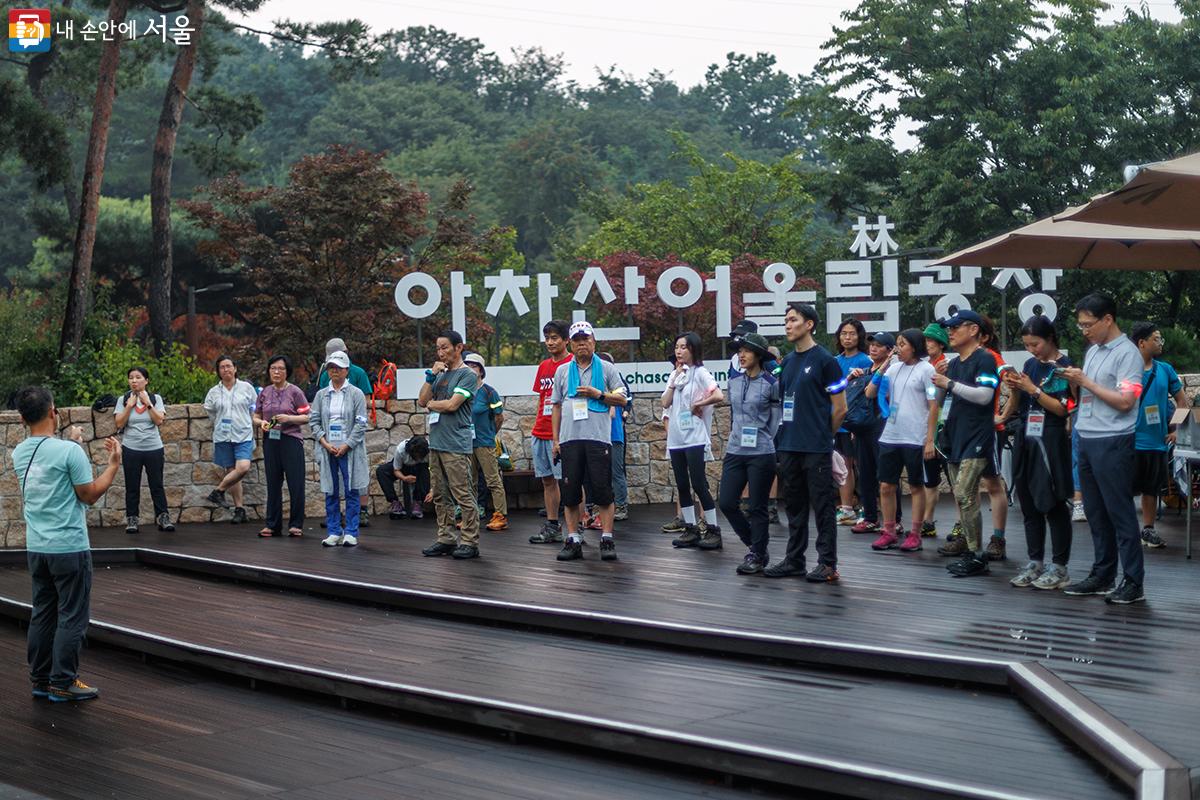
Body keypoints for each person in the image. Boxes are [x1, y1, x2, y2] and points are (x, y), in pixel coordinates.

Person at [12, 386, 121, 702]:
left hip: (38, 548)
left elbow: (51, 463)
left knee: (43, 613)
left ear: (21, 418)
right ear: (52, 412)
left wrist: (72, 444)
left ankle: (41, 679)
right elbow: (88, 494)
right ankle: (63, 682)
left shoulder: (20, 453)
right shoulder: (69, 452)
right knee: (72, 615)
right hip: (69, 547)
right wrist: (113, 464)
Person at [1061, 294, 1146, 604]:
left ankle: (1134, 581)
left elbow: (1126, 401)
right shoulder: (1094, 350)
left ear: (1107, 319)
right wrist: (1076, 383)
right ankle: (1103, 574)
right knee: (1095, 513)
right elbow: (1090, 394)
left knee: (1120, 513)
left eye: (1088, 324)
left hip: (1113, 440)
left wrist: (1086, 381)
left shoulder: (1128, 354)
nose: (1084, 330)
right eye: (1080, 325)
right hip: (1087, 436)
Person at [766, 303, 847, 582]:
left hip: (816, 447)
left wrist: (824, 435)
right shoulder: (787, 362)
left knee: (823, 507)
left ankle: (827, 564)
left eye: (793, 320)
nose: (788, 325)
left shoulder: (826, 360)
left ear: (809, 324)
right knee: (794, 506)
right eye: (785, 320)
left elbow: (840, 408)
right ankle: (794, 560)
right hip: (789, 445)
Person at [1001, 315, 1074, 590]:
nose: (1031, 350)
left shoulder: (1064, 367)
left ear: (1050, 338)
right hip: (1027, 437)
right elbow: (1022, 401)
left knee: (1053, 502)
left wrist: (1032, 389)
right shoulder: (1031, 365)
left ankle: (1060, 566)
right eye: (1027, 345)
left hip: (1051, 439)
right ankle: (1035, 561)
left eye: (1035, 344)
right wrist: (1016, 389)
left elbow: (1063, 408)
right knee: (1028, 501)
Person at [931, 310, 1000, 577]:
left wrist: (948, 382)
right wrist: (939, 380)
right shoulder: (954, 363)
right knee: (964, 497)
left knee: (964, 493)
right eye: (949, 327)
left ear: (973, 330)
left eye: (955, 327)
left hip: (976, 437)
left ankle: (976, 555)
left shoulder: (984, 358)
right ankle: (972, 552)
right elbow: (938, 398)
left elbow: (984, 396)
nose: (950, 332)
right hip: (954, 437)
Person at [550, 321, 626, 561]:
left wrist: (599, 394)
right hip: (570, 440)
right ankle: (573, 539)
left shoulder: (606, 369)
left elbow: (623, 399)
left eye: (586, 338)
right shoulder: (562, 370)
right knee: (570, 493)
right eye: (577, 340)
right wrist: (555, 440)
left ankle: (606, 538)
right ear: (570, 344)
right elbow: (556, 407)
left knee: (603, 491)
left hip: (598, 439)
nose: (582, 343)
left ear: (594, 341)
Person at [865, 329, 936, 552]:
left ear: (914, 346)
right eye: (897, 344)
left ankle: (915, 534)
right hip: (891, 435)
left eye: (903, 344)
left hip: (915, 436)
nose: (898, 349)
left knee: (916, 485)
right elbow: (870, 393)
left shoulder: (927, 369)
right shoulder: (893, 369)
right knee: (886, 485)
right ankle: (889, 532)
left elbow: (934, 405)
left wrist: (930, 439)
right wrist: (883, 367)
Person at [718, 332, 781, 574]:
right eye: (739, 351)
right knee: (727, 502)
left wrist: (767, 439)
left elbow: (776, 420)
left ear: (759, 355)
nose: (741, 355)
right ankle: (755, 546)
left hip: (762, 452)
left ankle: (756, 553)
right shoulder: (733, 382)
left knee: (757, 506)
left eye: (746, 351)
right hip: (735, 450)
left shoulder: (771, 384)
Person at [419, 330, 481, 559]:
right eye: (438, 348)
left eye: (445, 347)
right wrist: (430, 377)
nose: (441, 352)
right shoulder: (439, 375)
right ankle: (445, 538)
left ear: (458, 348)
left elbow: (453, 405)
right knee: (440, 494)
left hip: (456, 443)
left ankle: (469, 541)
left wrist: (433, 404)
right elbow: (422, 400)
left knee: (462, 493)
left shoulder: (468, 375)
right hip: (436, 442)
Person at [1128, 322, 1188, 548]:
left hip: (1156, 442)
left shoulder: (1165, 370)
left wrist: (1176, 428)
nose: (1160, 342)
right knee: (1124, 489)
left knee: (1151, 489)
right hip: (1129, 441)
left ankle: (1148, 530)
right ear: (1141, 343)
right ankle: (1125, 531)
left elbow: (1182, 401)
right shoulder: (1126, 371)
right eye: (1156, 338)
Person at [663, 332, 725, 549]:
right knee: (681, 485)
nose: (679, 351)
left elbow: (718, 395)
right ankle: (690, 529)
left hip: (695, 438)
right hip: (677, 438)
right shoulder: (676, 375)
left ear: (693, 350)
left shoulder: (700, 372)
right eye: (677, 347)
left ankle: (713, 529)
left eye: (684, 347)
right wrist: (673, 380)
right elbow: (664, 402)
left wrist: (699, 403)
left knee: (699, 483)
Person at [311, 351, 369, 548]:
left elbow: (361, 423)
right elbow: (314, 421)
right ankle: (334, 530)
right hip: (329, 449)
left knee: (352, 488)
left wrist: (347, 445)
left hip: (350, 449)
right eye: (330, 368)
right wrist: (325, 442)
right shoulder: (321, 395)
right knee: (331, 489)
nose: (334, 371)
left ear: (346, 370)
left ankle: (351, 531)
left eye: (338, 367)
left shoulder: (356, 394)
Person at [254, 355, 311, 537]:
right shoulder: (264, 392)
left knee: (295, 484)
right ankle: (272, 524)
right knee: (273, 483)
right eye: (273, 368)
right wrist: (260, 423)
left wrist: (289, 418)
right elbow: (256, 415)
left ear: (287, 372)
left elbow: (308, 417)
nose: (276, 372)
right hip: (271, 440)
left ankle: (296, 524)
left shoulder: (295, 392)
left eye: (281, 368)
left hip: (291, 440)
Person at [848, 331, 896, 535]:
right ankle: (869, 517)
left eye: (879, 345)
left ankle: (895, 520)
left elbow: (885, 396)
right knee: (865, 474)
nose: (873, 348)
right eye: (872, 344)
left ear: (889, 350)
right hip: (862, 429)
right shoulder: (863, 371)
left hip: (883, 426)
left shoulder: (893, 371)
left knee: (886, 475)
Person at [529, 320, 573, 544]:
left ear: (566, 340)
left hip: (565, 433)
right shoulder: (544, 366)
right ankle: (553, 526)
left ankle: (577, 528)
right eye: (547, 338)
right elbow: (542, 398)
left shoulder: (573, 364)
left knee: (571, 481)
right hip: (541, 430)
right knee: (548, 481)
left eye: (555, 337)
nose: (550, 342)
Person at [114, 366, 173, 533]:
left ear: (146, 380)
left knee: (157, 485)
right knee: (132, 486)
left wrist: (147, 403)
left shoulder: (155, 398)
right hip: (131, 448)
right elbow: (119, 423)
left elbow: (159, 420)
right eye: (131, 377)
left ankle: (163, 517)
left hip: (153, 447)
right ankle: (132, 520)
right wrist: (129, 406)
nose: (134, 380)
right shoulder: (123, 399)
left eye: (138, 377)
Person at [203, 355, 257, 525]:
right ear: (218, 371)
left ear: (235, 368)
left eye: (229, 366)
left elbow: (254, 409)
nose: (226, 369)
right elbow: (211, 412)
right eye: (222, 367)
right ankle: (239, 509)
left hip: (243, 434)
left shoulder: (247, 388)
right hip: (223, 435)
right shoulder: (213, 392)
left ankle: (218, 491)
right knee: (232, 472)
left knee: (243, 467)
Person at [976, 314, 1011, 561]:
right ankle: (965, 536)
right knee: (963, 487)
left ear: (984, 336)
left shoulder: (993, 358)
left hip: (989, 432)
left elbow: (1014, 383)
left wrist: (1002, 416)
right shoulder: (962, 359)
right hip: (966, 433)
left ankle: (998, 538)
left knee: (992, 483)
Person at [464, 352, 509, 532]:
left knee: (492, 480)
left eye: (473, 366)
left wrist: (491, 434)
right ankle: (471, 517)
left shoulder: (489, 392)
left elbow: (499, 417)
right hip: (467, 443)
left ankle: (500, 515)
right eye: (466, 366)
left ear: (481, 371)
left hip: (485, 442)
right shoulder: (462, 392)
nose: (469, 369)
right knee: (470, 481)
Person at [834, 318, 871, 524]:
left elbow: (867, 393)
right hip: (838, 421)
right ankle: (847, 508)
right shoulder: (834, 361)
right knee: (843, 465)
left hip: (858, 422)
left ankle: (867, 508)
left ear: (859, 336)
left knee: (861, 465)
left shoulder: (865, 361)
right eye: (844, 333)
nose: (847, 337)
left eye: (852, 333)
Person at [921, 323, 951, 537]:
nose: (927, 344)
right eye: (925, 340)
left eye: (931, 340)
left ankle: (962, 525)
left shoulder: (949, 365)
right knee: (929, 479)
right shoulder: (923, 366)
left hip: (946, 430)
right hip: (926, 429)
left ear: (941, 344)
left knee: (955, 480)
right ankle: (927, 522)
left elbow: (939, 400)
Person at [599, 352, 633, 521]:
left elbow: (614, 412)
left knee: (616, 472)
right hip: (599, 436)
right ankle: (604, 507)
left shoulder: (615, 384)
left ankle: (621, 506)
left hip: (614, 435)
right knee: (600, 473)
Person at [376, 435, 431, 519]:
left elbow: (434, 471)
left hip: (421, 469)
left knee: (424, 471)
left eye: (419, 456)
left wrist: (432, 491)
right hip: (403, 467)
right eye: (415, 456)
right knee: (381, 471)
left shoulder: (430, 451)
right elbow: (396, 470)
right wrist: (404, 478)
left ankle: (418, 502)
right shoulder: (400, 449)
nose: (417, 458)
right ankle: (395, 502)